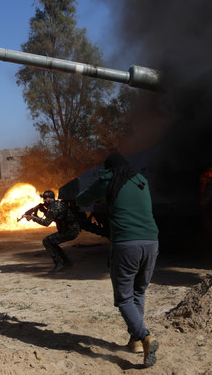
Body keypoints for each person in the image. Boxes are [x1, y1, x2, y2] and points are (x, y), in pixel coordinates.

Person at [76, 153, 160, 367]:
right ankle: (136, 342)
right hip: (151, 242)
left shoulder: (108, 181)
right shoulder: (142, 181)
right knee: (139, 292)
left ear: (109, 169)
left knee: (124, 298)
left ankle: (145, 336)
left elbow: (82, 199)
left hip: (126, 245)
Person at [20, 190, 79, 272]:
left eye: (45, 198)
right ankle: (66, 262)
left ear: (51, 198)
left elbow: (46, 222)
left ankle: (60, 264)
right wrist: (42, 211)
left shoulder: (55, 207)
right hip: (68, 229)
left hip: (70, 231)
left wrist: (33, 218)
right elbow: (54, 217)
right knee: (52, 242)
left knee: (47, 241)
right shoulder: (56, 205)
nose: (44, 200)